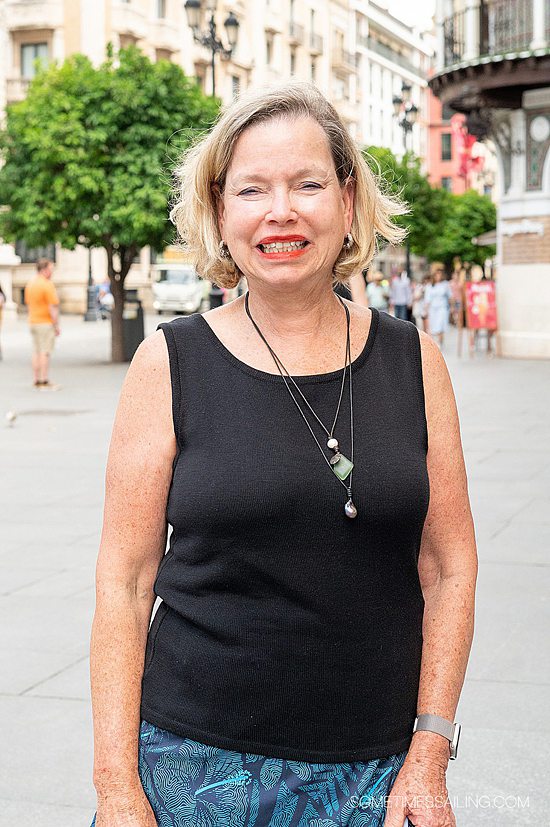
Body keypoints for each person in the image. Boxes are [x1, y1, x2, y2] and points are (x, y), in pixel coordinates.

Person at [90, 82, 477, 827]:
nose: (281, 212)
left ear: (347, 198)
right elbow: (126, 580)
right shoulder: (169, 363)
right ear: (220, 211)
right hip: (191, 768)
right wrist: (116, 787)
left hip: (379, 773)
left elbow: (449, 565)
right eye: (252, 190)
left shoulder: (416, 361)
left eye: (307, 184)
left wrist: (429, 754)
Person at [23, 258, 61, 390]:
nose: (52, 272)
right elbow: (53, 307)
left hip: (33, 321)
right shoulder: (47, 284)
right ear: (44, 270)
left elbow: (28, 304)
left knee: (36, 351)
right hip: (45, 322)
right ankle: (44, 380)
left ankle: (36, 379)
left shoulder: (31, 284)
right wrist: (56, 325)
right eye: (51, 269)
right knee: (45, 351)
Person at [424, 265, 452, 349]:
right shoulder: (430, 286)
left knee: (440, 325)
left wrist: (453, 308)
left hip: (442, 308)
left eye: (440, 274)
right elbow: (427, 299)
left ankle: (440, 343)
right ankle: (435, 343)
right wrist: (425, 310)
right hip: (433, 309)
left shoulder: (445, 285)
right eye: (436, 275)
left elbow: (450, 296)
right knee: (433, 326)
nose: (438, 276)